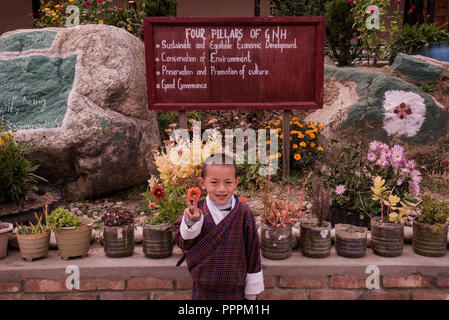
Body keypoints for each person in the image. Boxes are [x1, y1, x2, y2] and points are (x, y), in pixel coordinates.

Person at [173, 153, 264, 300]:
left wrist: (251, 292)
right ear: (202, 183)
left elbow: (253, 251)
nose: (221, 189)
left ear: (236, 182)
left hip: (235, 291)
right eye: (214, 182)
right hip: (202, 291)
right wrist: (192, 222)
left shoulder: (243, 212)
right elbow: (183, 242)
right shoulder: (197, 210)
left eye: (228, 182)